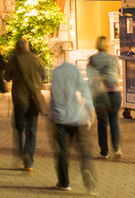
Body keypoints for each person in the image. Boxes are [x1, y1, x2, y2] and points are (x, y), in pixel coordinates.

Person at [50, 43, 97, 195]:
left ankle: (64, 182)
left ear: (57, 56)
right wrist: (90, 107)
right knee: (83, 150)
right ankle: (88, 177)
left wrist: (53, 114)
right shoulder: (74, 69)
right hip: (78, 116)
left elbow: (56, 96)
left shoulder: (56, 72)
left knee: (62, 151)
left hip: (61, 117)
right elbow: (84, 88)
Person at [4, 38, 45, 171]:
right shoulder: (37, 59)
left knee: (19, 129)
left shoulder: (13, 60)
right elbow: (43, 76)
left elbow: (6, 77)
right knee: (31, 131)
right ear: (28, 47)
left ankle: (20, 156)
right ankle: (29, 159)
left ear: (17, 48)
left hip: (19, 100)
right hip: (34, 99)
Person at [87, 36, 122, 159]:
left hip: (101, 95)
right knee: (114, 120)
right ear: (107, 45)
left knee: (102, 122)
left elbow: (90, 76)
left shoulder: (92, 59)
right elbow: (118, 72)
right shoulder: (113, 58)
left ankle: (104, 152)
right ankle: (116, 148)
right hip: (115, 92)